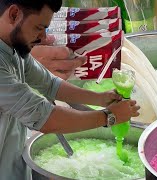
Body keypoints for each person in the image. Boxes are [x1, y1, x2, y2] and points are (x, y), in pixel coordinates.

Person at [0, 0, 140, 179]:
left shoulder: (12, 48)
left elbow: (49, 84)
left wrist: (101, 98)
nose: (43, 38)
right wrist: (109, 117)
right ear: (13, 14)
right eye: (38, 27)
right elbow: (46, 119)